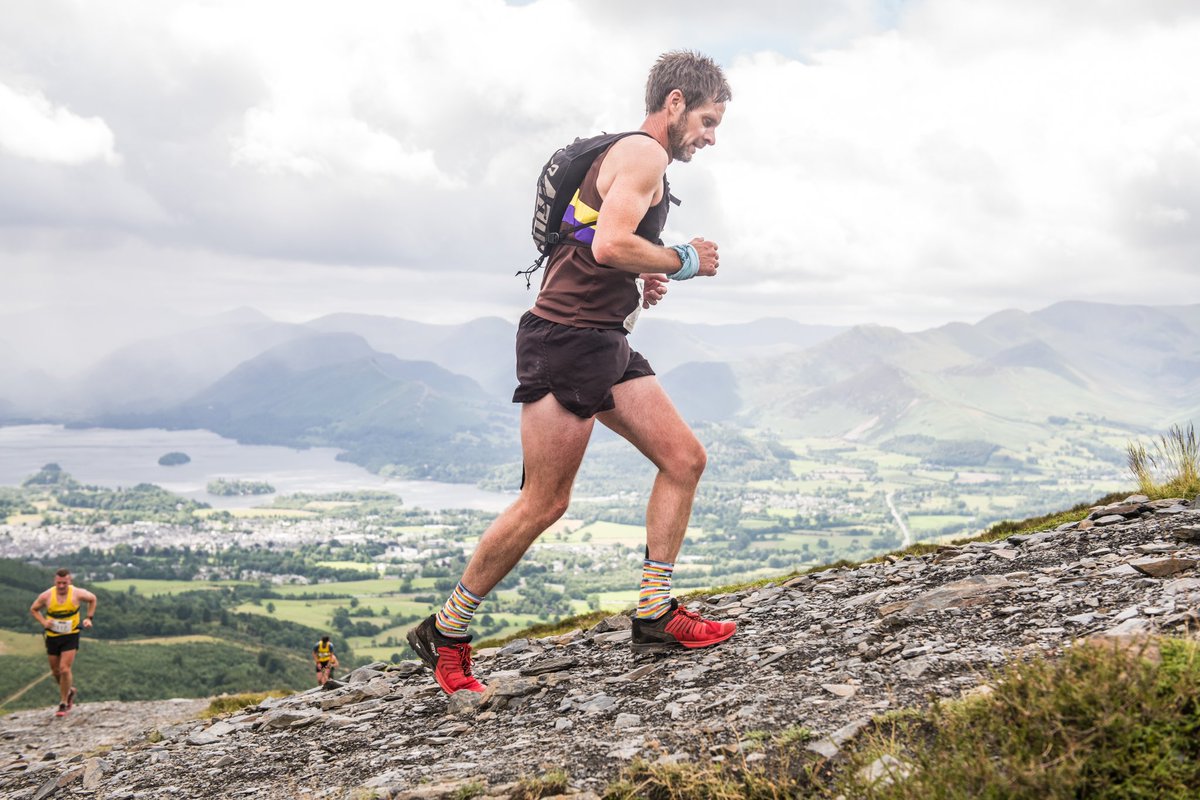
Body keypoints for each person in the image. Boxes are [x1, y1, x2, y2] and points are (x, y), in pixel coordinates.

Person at [408, 50, 736, 695]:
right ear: (674, 103)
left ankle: (655, 611)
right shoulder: (645, 155)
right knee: (546, 501)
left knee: (684, 459)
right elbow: (611, 242)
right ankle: (446, 630)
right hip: (567, 340)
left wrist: (644, 269)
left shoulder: (621, 154)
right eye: (706, 119)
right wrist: (682, 259)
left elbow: (584, 234)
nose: (710, 135)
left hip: (603, 339)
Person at [30, 568, 97, 717]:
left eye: (64, 583)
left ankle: (63, 703)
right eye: (59, 583)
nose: (61, 586)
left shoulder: (77, 593)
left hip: (71, 634)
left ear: (69, 581)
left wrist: (89, 618)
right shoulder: (46, 595)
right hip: (53, 636)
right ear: (55, 582)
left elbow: (93, 599)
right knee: (55, 672)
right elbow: (34, 609)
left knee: (64, 668)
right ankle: (70, 691)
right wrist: (43, 622)